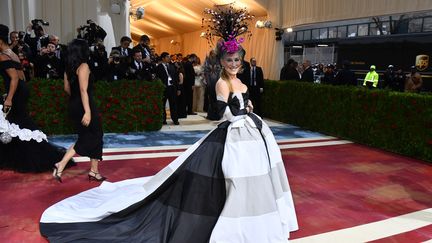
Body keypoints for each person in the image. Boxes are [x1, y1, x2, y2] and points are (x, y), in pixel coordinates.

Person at [39, 37, 298, 243]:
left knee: (253, 178)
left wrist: (248, 107)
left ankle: (253, 217)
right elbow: (218, 115)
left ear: (242, 62)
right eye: (229, 60)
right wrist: (237, 110)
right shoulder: (222, 84)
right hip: (233, 134)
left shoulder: (240, 82)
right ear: (222, 61)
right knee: (231, 176)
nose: (233, 64)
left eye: (237, 60)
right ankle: (234, 219)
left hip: (250, 134)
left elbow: (243, 103)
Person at [0, 24, 72, 173]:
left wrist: (9, 98)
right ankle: (17, 156)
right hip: (22, 89)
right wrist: (12, 93)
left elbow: (13, 78)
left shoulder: (2, 55)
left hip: (16, 91)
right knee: (16, 124)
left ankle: (37, 156)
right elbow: (22, 77)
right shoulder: (11, 53)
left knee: (19, 125)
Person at [51, 39, 105, 183]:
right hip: (85, 104)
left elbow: (67, 89)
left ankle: (94, 171)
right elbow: (83, 90)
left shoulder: (68, 68)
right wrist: (87, 111)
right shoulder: (84, 66)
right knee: (93, 135)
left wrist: (75, 101)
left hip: (74, 104)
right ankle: (61, 163)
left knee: (93, 135)